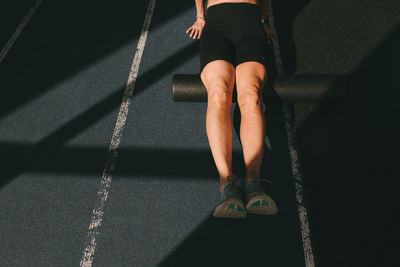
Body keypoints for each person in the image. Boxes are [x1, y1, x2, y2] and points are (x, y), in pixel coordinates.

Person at [186, 0, 278, 218]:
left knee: (252, 95)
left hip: (250, 24)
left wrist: (262, 20)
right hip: (217, 24)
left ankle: (253, 179)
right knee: (218, 92)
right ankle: (227, 182)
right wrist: (201, 17)